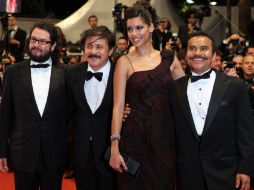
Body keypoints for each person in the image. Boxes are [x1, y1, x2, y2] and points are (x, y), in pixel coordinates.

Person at [109, 2, 185, 190]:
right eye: (129, 29)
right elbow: (118, 106)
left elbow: (187, 95)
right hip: (133, 139)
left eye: (139, 27)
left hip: (164, 138)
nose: (134, 34)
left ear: (151, 27)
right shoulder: (123, 62)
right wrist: (114, 146)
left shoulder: (169, 59)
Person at [170, 32, 254, 190]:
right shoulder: (175, 88)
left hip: (227, 172)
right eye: (192, 48)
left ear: (214, 54)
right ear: (186, 53)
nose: (197, 53)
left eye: (203, 48)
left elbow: (246, 131)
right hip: (187, 173)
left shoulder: (235, 86)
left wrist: (245, 168)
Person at [0, 21, 71, 190]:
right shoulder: (13, 72)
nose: (36, 45)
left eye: (42, 41)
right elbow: (5, 115)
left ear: (53, 45)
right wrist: (2, 151)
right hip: (22, 153)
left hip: (54, 154)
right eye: (33, 40)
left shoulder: (67, 73)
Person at [67, 26, 116, 190]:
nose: (93, 51)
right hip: (80, 152)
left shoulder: (121, 74)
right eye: (89, 46)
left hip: (110, 153)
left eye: (99, 47)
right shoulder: (72, 73)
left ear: (111, 50)